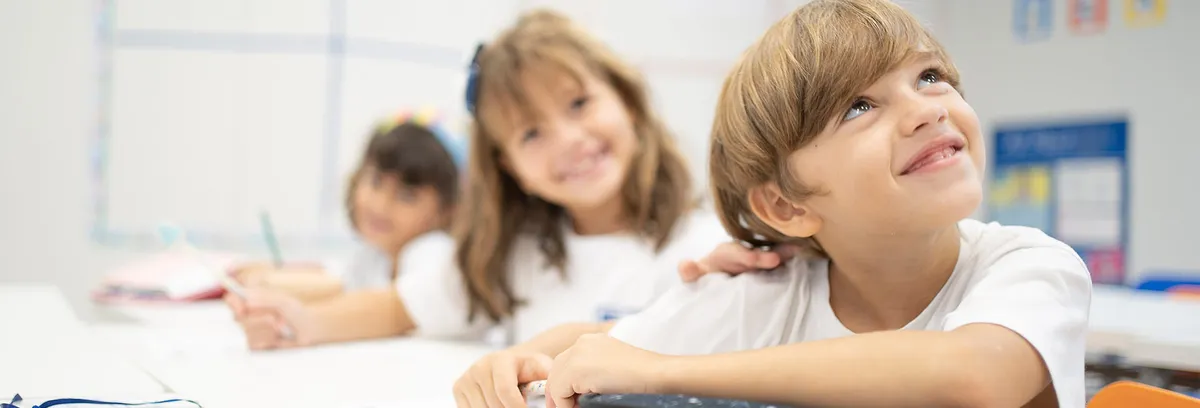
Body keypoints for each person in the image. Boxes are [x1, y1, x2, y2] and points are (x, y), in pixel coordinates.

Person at [470, 1, 1093, 407]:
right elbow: (608, 342)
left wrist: (663, 371)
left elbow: (971, 376)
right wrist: (521, 361)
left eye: (929, 77)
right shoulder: (775, 292)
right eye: (859, 107)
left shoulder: (1032, 265)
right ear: (787, 206)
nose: (927, 109)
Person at [228, 10, 733, 356]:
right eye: (531, 133)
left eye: (579, 103)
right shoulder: (514, 255)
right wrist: (301, 322)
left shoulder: (708, 250)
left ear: (627, 100)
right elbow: (400, 307)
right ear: (511, 169)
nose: (568, 140)